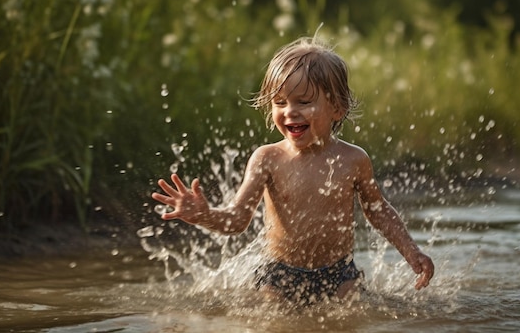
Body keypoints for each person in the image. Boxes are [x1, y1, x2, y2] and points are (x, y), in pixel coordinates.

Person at [151, 36, 434, 305]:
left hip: (339, 273)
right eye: (280, 102)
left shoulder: (353, 160)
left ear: (337, 107)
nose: (290, 112)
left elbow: (378, 210)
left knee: (351, 316)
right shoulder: (267, 159)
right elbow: (237, 220)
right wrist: (205, 215)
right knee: (272, 319)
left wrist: (412, 251)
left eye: (304, 101)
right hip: (279, 274)